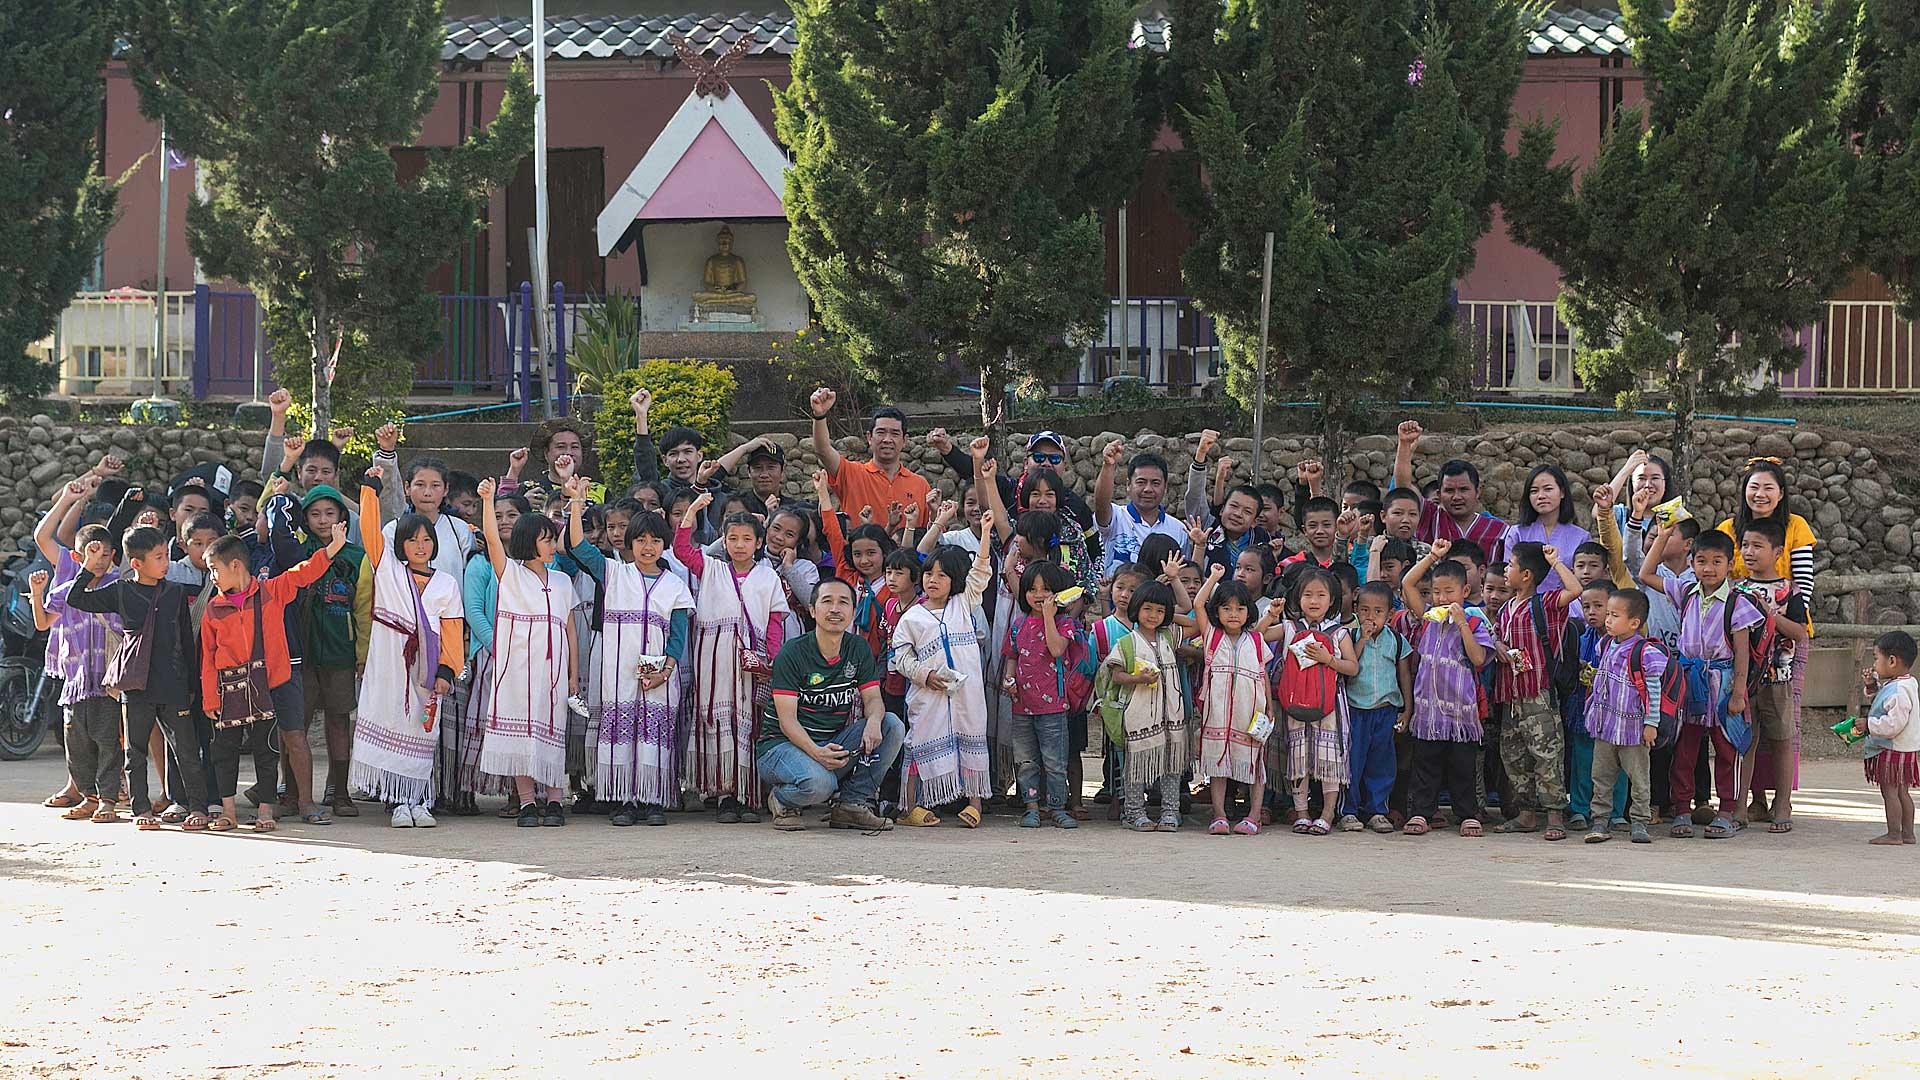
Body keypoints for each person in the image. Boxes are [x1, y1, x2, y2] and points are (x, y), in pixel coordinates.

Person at [564, 487, 694, 828]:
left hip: (659, 678)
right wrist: (576, 502)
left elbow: (678, 636)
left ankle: (653, 801)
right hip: (619, 675)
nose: (648, 547)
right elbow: (577, 546)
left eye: (655, 541)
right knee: (622, 737)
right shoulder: (613, 573)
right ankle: (623, 799)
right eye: (641, 540)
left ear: (664, 545)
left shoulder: (675, 586)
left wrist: (665, 672)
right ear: (630, 543)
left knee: (654, 739)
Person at [199, 528, 345, 832]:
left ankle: (297, 804)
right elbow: (208, 657)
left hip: (276, 680)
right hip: (233, 688)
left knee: (284, 741)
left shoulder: (271, 591)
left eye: (214, 569)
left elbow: (301, 573)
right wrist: (210, 697)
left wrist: (332, 550)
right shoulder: (213, 608)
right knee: (232, 750)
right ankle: (236, 810)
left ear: (235, 565)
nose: (212, 577)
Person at [68, 525, 208, 830]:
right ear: (136, 563)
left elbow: (186, 640)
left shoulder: (174, 592)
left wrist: (192, 685)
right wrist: (88, 565)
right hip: (136, 685)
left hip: (173, 684)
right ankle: (141, 809)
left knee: (186, 750)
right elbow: (76, 599)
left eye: (166, 555)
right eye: (159, 557)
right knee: (135, 751)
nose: (166, 562)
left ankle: (198, 807)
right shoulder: (121, 591)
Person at [353, 468, 468, 828]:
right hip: (390, 663)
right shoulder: (388, 570)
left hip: (427, 667)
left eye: (427, 540)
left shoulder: (446, 584)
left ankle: (421, 800)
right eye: (413, 540)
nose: (421, 546)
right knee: (393, 724)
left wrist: (447, 670)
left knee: (423, 731)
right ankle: (397, 801)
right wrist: (370, 491)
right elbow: (370, 532)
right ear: (400, 544)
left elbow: (452, 631)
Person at [1639, 527, 1766, 839]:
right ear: (1691, 562)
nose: (1708, 568)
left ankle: (1727, 811)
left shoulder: (1738, 603)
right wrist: (1663, 535)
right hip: (1689, 682)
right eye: (1701, 561)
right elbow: (1645, 574)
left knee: (1726, 748)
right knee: (1685, 748)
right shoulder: (1686, 592)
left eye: (1716, 562)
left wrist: (1738, 694)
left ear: (1730, 564)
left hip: (1723, 684)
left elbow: (1741, 653)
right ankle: (1682, 808)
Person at [756, 577, 904, 832]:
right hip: (780, 746)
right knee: (821, 785)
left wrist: (873, 722)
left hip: (830, 744)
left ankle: (852, 804)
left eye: (843, 602)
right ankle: (782, 799)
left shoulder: (857, 648)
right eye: (827, 601)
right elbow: (787, 721)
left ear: (853, 611)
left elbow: (873, 699)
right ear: (812, 610)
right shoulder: (792, 653)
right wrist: (817, 753)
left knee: (892, 725)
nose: (835, 609)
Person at [676, 491, 789, 823]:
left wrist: (770, 658)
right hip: (715, 661)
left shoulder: (768, 576)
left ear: (758, 543)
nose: (740, 545)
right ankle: (725, 795)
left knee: (750, 724)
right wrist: (693, 510)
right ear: (723, 542)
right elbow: (682, 549)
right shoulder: (711, 569)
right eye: (733, 538)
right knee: (718, 721)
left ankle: (749, 795)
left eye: (747, 539)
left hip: (752, 663)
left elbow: (775, 621)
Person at [262, 481, 371, 821]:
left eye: (330, 513)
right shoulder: (295, 552)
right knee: (295, 724)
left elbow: (363, 610)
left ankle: (339, 793)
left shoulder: (356, 558)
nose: (323, 520)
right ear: (304, 518)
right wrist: (275, 490)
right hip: (300, 652)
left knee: (339, 721)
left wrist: (362, 654)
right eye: (315, 514)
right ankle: (291, 794)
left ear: (342, 518)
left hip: (340, 651)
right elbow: (269, 524)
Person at [1717, 457, 1817, 826]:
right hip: (1744, 668)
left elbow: (1801, 601)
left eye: (1768, 487)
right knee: (1747, 735)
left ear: (1781, 492)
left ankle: (1781, 803)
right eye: (1753, 486)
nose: (1760, 493)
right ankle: (1746, 803)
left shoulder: (1796, 530)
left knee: (1783, 734)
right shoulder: (1730, 535)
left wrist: (1770, 615)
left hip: (1781, 665)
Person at [478, 477, 577, 828]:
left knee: (552, 732)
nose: (552, 545)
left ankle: (555, 801)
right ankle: (527, 803)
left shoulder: (562, 581)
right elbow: (492, 539)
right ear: (528, 542)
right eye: (546, 539)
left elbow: (570, 630)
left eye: (552, 539)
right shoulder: (510, 574)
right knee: (521, 736)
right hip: (517, 671)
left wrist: (574, 675)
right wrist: (488, 500)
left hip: (553, 674)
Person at [890, 521, 996, 828]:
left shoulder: (963, 604)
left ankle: (974, 803)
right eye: (929, 574)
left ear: (955, 580)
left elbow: (981, 572)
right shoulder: (911, 617)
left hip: (967, 695)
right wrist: (925, 675)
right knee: (920, 743)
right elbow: (901, 658)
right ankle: (911, 806)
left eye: (942, 575)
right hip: (928, 695)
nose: (933, 580)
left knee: (970, 740)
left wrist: (985, 534)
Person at [29, 523, 126, 825]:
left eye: (105, 554)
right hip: (76, 682)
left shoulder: (118, 586)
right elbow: (43, 623)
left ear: (114, 555)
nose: (99, 560)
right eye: (92, 553)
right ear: (76, 556)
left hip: (108, 681)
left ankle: (108, 800)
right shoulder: (66, 591)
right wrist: (37, 594)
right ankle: (89, 797)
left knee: (108, 742)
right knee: (77, 743)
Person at [1400, 539, 1495, 837]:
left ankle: (1467, 814)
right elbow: (1408, 583)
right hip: (1428, 711)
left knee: (1462, 767)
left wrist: (1462, 622)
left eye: (1448, 592)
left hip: (1460, 714)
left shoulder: (1474, 622)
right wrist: (1432, 557)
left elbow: (1478, 659)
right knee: (1425, 765)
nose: (1441, 598)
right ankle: (1421, 813)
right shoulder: (1428, 617)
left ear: (1464, 592)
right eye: (1436, 592)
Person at [1489, 542, 1582, 840]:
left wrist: (1555, 562)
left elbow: (1575, 590)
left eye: (1510, 565)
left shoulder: (1545, 604)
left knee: (1547, 754)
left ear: (1526, 575)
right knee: (1514, 755)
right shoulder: (1506, 608)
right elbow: (1495, 637)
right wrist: (1498, 646)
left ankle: (1554, 814)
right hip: (1510, 694)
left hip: (1538, 694)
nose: (1506, 570)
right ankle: (1526, 813)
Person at [1268, 569, 1358, 836]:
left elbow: (1352, 667)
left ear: (1332, 600)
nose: (1314, 600)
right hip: (1295, 704)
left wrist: (1328, 659)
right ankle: (1302, 813)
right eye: (1308, 594)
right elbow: (1257, 635)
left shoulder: (1339, 633)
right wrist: (1271, 615)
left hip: (1330, 706)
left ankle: (1327, 814)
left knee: (1329, 759)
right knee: (1299, 757)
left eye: (1321, 595)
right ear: (1298, 598)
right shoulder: (1289, 627)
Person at [1735, 519, 1811, 832]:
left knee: (1781, 742)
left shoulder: (1790, 591)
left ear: (1778, 552)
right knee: (1745, 743)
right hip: (1743, 680)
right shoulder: (1737, 590)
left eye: (1758, 546)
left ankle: (1782, 805)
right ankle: (1738, 806)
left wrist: (1770, 615)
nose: (1749, 552)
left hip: (1779, 678)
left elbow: (1800, 633)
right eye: (1745, 545)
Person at [1191, 561, 1274, 836]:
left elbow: (1263, 675)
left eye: (1239, 608)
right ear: (1217, 611)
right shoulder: (1212, 636)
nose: (1233, 614)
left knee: (1254, 763)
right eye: (1226, 608)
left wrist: (1269, 708)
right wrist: (1213, 577)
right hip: (1217, 715)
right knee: (1218, 765)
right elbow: (1198, 604)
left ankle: (1253, 815)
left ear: (1249, 611)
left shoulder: (1256, 639)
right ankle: (1219, 815)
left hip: (1250, 714)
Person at [1103, 579, 1190, 832]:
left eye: (1160, 610)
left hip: (1172, 717)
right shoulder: (1127, 642)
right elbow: (1116, 675)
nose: (1153, 615)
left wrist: (1170, 616)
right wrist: (1138, 679)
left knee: (1172, 766)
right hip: (1140, 716)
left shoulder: (1169, 636)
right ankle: (1134, 813)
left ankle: (1170, 812)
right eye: (1147, 608)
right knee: (1137, 766)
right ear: (1136, 609)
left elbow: (1195, 624)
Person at [1582, 587, 1666, 844]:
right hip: (1606, 725)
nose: (1607, 620)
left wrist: (1651, 723)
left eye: (1614, 615)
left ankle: (1639, 821)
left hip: (1633, 730)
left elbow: (1653, 691)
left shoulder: (1645, 652)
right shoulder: (1605, 643)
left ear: (1634, 623)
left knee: (1639, 778)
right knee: (1601, 776)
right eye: (1608, 614)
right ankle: (1600, 820)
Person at [1003, 560, 1082, 829]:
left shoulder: (1065, 623)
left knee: (1054, 761)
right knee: (1026, 761)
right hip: (1021, 705)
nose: (1039, 595)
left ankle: (1057, 807)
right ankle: (1031, 807)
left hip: (1054, 706)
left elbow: (1057, 649)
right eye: (1032, 589)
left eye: (1046, 589)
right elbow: (1011, 656)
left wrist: (1049, 616)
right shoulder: (1018, 624)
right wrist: (1009, 679)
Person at [372, 422, 476, 584]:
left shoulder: (460, 530)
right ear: (407, 488)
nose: (427, 492)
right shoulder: (393, 530)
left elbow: (471, 579)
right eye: (420, 485)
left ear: (446, 489)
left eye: (435, 485)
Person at [809, 388, 931, 525]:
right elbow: (823, 450)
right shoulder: (851, 473)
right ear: (869, 437)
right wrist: (819, 415)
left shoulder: (921, 485)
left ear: (904, 440)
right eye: (881, 432)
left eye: (895, 433)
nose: (887, 439)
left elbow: (931, 531)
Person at [1346, 582, 1413, 834]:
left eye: (1378, 611)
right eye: (1364, 610)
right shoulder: (1350, 636)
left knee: (1382, 764)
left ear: (1389, 614)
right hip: (1356, 710)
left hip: (1385, 711)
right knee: (1353, 762)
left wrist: (1407, 710)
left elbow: (1404, 676)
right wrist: (1362, 639)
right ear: (1355, 610)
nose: (1370, 617)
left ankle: (1377, 810)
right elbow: (1349, 664)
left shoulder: (1396, 640)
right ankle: (1349, 811)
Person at [1392, 420, 1508, 559]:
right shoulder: (1429, 517)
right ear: (1439, 494)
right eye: (1449, 491)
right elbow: (1404, 489)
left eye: (1463, 490)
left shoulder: (1500, 531)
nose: (1457, 497)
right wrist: (1404, 444)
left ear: (1478, 491)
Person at [1093, 438, 1190, 574]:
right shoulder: (1116, 517)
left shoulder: (1179, 530)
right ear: (1128, 485)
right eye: (1141, 482)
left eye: (1155, 483)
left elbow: (1184, 574)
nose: (1148, 489)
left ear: (1165, 487)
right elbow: (1101, 505)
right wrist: (1108, 465)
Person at [1858, 631, 1918, 846]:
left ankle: (1894, 834)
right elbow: (1884, 702)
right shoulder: (1905, 683)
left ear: (1892, 661)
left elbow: (1894, 724)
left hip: (1892, 748)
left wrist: (1869, 725)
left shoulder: (1898, 690)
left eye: (1876, 658)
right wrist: (1872, 686)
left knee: (1890, 791)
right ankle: (1908, 834)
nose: (1875, 664)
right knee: (1902, 792)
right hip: (1904, 748)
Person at [1502, 465, 1591, 593]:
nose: (1541, 496)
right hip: (1525, 603)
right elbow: (1508, 579)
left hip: (1569, 603)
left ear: (1562, 492)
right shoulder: (1517, 533)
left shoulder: (1581, 537)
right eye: (1534, 491)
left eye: (1548, 489)